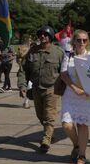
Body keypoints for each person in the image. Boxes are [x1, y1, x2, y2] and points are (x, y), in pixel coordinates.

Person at [17, 25, 65, 153]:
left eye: (45, 34)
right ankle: (49, 133)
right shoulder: (32, 52)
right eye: (40, 34)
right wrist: (22, 86)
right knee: (41, 116)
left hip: (52, 89)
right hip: (37, 89)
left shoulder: (58, 52)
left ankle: (45, 140)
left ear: (50, 36)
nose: (42, 36)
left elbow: (64, 72)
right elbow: (23, 70)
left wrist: (64, 88)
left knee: (49, 115)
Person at [59, 30, 90, 164]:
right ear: (73, 41)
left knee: (82, 125)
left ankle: (82, 154)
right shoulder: (68, 56)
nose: (82, 43)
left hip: (86, 96)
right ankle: (76, 145)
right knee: (66, 124)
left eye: (84, 40)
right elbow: (63, 75)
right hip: (70, 95)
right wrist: (75, 88)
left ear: (88, 42)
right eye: (79, 40)